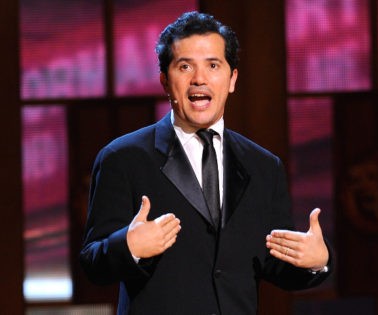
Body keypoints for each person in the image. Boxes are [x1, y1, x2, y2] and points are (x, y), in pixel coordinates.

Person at [80, 11, 332, 315]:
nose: (199, 78)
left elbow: (274, 265)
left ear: (232, 79)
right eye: (185, 66)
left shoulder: (263, 166)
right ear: (164, 80)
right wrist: (129, 247)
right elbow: (93, 264)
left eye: (213, 65)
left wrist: (317, 262)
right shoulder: (122, 158)